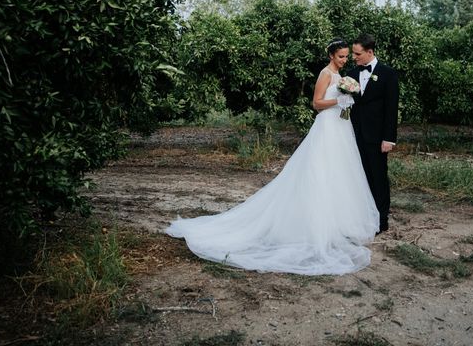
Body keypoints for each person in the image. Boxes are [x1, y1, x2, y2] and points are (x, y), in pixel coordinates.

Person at [165, 39, 379, 275]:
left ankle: (336, 225)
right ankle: (313, 227)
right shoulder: (325, 73)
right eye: (340, 56)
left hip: (341, 128)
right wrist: (338, 99)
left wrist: (347, 98)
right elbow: (316, 103)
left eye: (347, 56)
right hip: (326, 128)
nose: (345, 60)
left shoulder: (343, 76)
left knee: (339, 174)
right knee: (319, 172)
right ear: (330, 55)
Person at [347, 34, 399, 234]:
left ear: (370, 52)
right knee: (360, 177)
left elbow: (391, 108)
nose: (354, 57)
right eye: (353, 53)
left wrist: (389, 138)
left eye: (358, 54)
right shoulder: (351, 74)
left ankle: (381, 220)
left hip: (378, 138)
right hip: (355, 135)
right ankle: (362, 217)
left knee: (378, 177)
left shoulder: (388, 74)